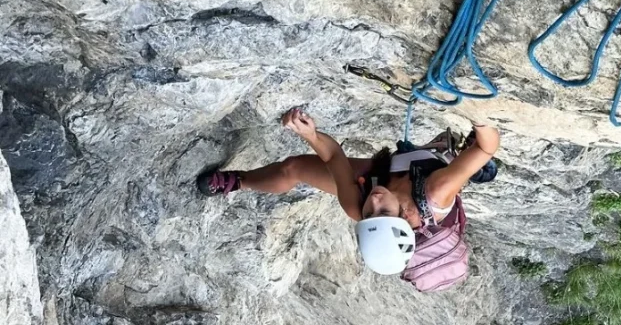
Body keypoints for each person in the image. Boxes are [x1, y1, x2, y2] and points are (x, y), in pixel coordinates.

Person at [197, 109, 500, 278]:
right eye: (383, 212)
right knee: (475, 159)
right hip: (422, 173)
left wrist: (311, 135)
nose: (375, 201)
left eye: (371, 214)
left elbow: (332, 159)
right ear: (407, 216)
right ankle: (462, 164)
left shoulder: (359, 207)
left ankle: (239, 182)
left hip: (385, 172)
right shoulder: (437, 190)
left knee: (293, 168)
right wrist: (479, 116)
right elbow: (487, 147)